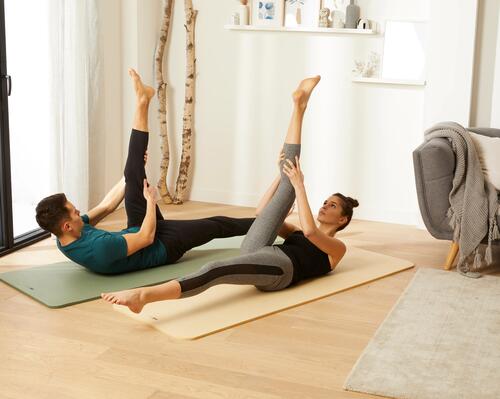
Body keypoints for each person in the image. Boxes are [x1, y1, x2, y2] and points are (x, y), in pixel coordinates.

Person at [101, 75, 359, 313]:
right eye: (326, 201)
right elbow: (261, 214)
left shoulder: (337, 249)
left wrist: (300, 186)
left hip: (281, 270)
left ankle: (143, 297)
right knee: (287, 183)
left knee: (215, 270)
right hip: (259, 249)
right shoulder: (298, 234)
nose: (325, 206)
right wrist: (279, 176)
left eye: (333, 206)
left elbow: (313, 232)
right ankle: (299, 106)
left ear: (342, 220)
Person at [35, 69, 255, 275]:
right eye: (74, 212)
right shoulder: (100, 248)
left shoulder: (64, 235)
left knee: (132, 171)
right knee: (216, 226)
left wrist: (132, 175)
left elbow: (107, 206)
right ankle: (269, 223)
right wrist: (150, 200)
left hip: (136, 230)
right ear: (67, 225)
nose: (78, 211)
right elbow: (147, 237)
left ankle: (143, 101)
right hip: (161, 246)